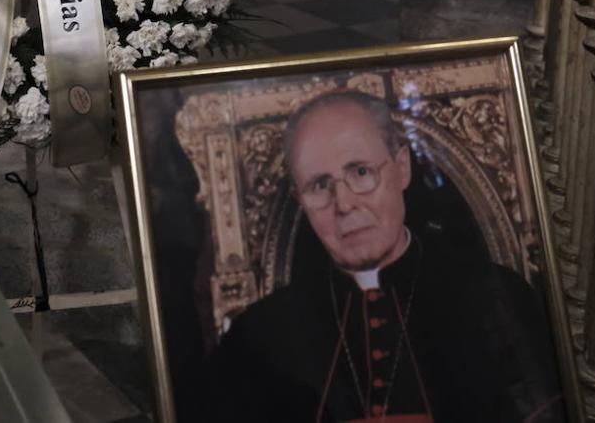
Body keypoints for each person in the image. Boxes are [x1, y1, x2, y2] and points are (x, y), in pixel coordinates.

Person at [206, 90, 565, 423]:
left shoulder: (497, 300)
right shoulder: (259, 338)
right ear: (301, 201)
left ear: (402, 168)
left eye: (361, 172)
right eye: (320, 185)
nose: (344, 205)